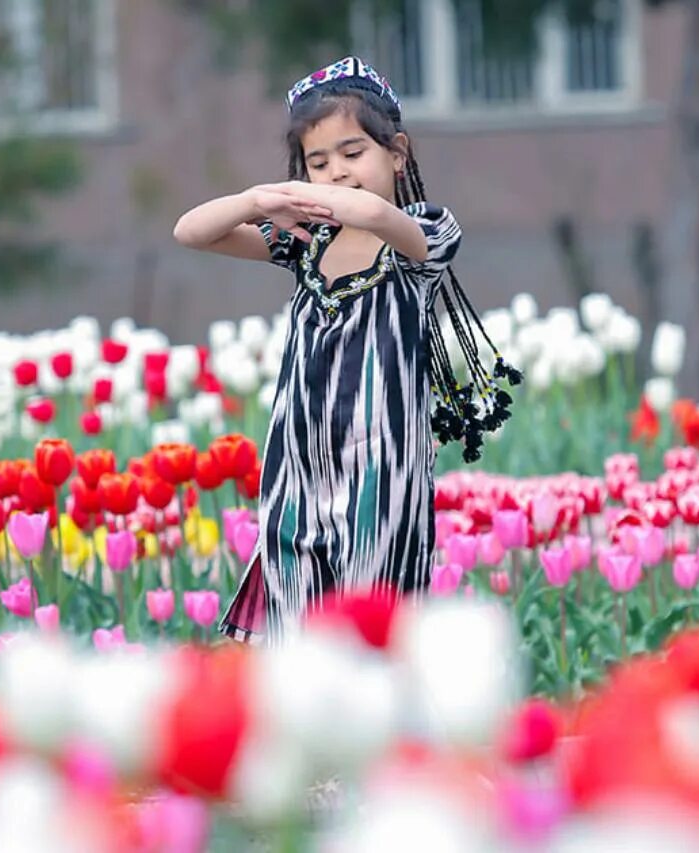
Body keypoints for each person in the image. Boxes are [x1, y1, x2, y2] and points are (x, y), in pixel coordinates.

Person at [172, 56, 519, 644]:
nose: (337, 173)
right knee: (299, 631)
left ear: (398, 153)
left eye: (353, 153)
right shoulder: (305, 243)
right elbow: (191, 231)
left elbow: (372, 211)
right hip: (298, 467)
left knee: (369, 622)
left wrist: (313, 193)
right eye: (319, 161)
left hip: (379, 474)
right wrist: (261, 199)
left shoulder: (421, 239)